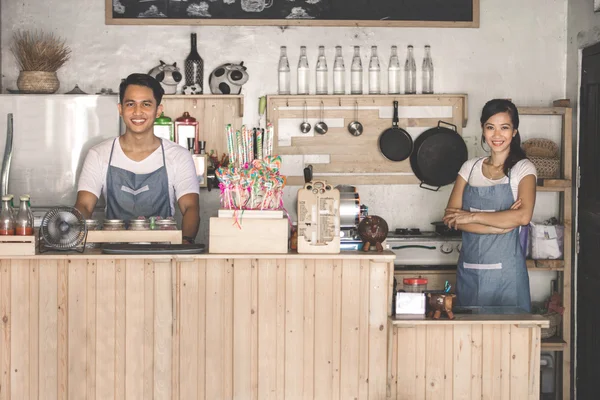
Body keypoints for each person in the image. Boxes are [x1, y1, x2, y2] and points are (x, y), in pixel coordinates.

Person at [75, 73, 200, 244]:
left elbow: (190, 208)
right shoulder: (99, 154)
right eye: (130, 104)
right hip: (113, 255)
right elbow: (84, 206)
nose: (137, 112)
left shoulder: (178, 156)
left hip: (163, 254)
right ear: (120, 109)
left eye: (146, 104)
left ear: (158, 110)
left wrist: (185, 241)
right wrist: (72, 230)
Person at [442, 99, 536, 312]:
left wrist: (472, 216)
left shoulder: (523, 169)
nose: (497, 135)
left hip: (507, 276)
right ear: (483, 130)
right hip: (470, 271)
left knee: (509, 340)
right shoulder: (470, 168)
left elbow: (523, 217)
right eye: (490, 127)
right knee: (471, 341)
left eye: (505, 128)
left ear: (514, 132)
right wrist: (501, 225)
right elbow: (450, 217)